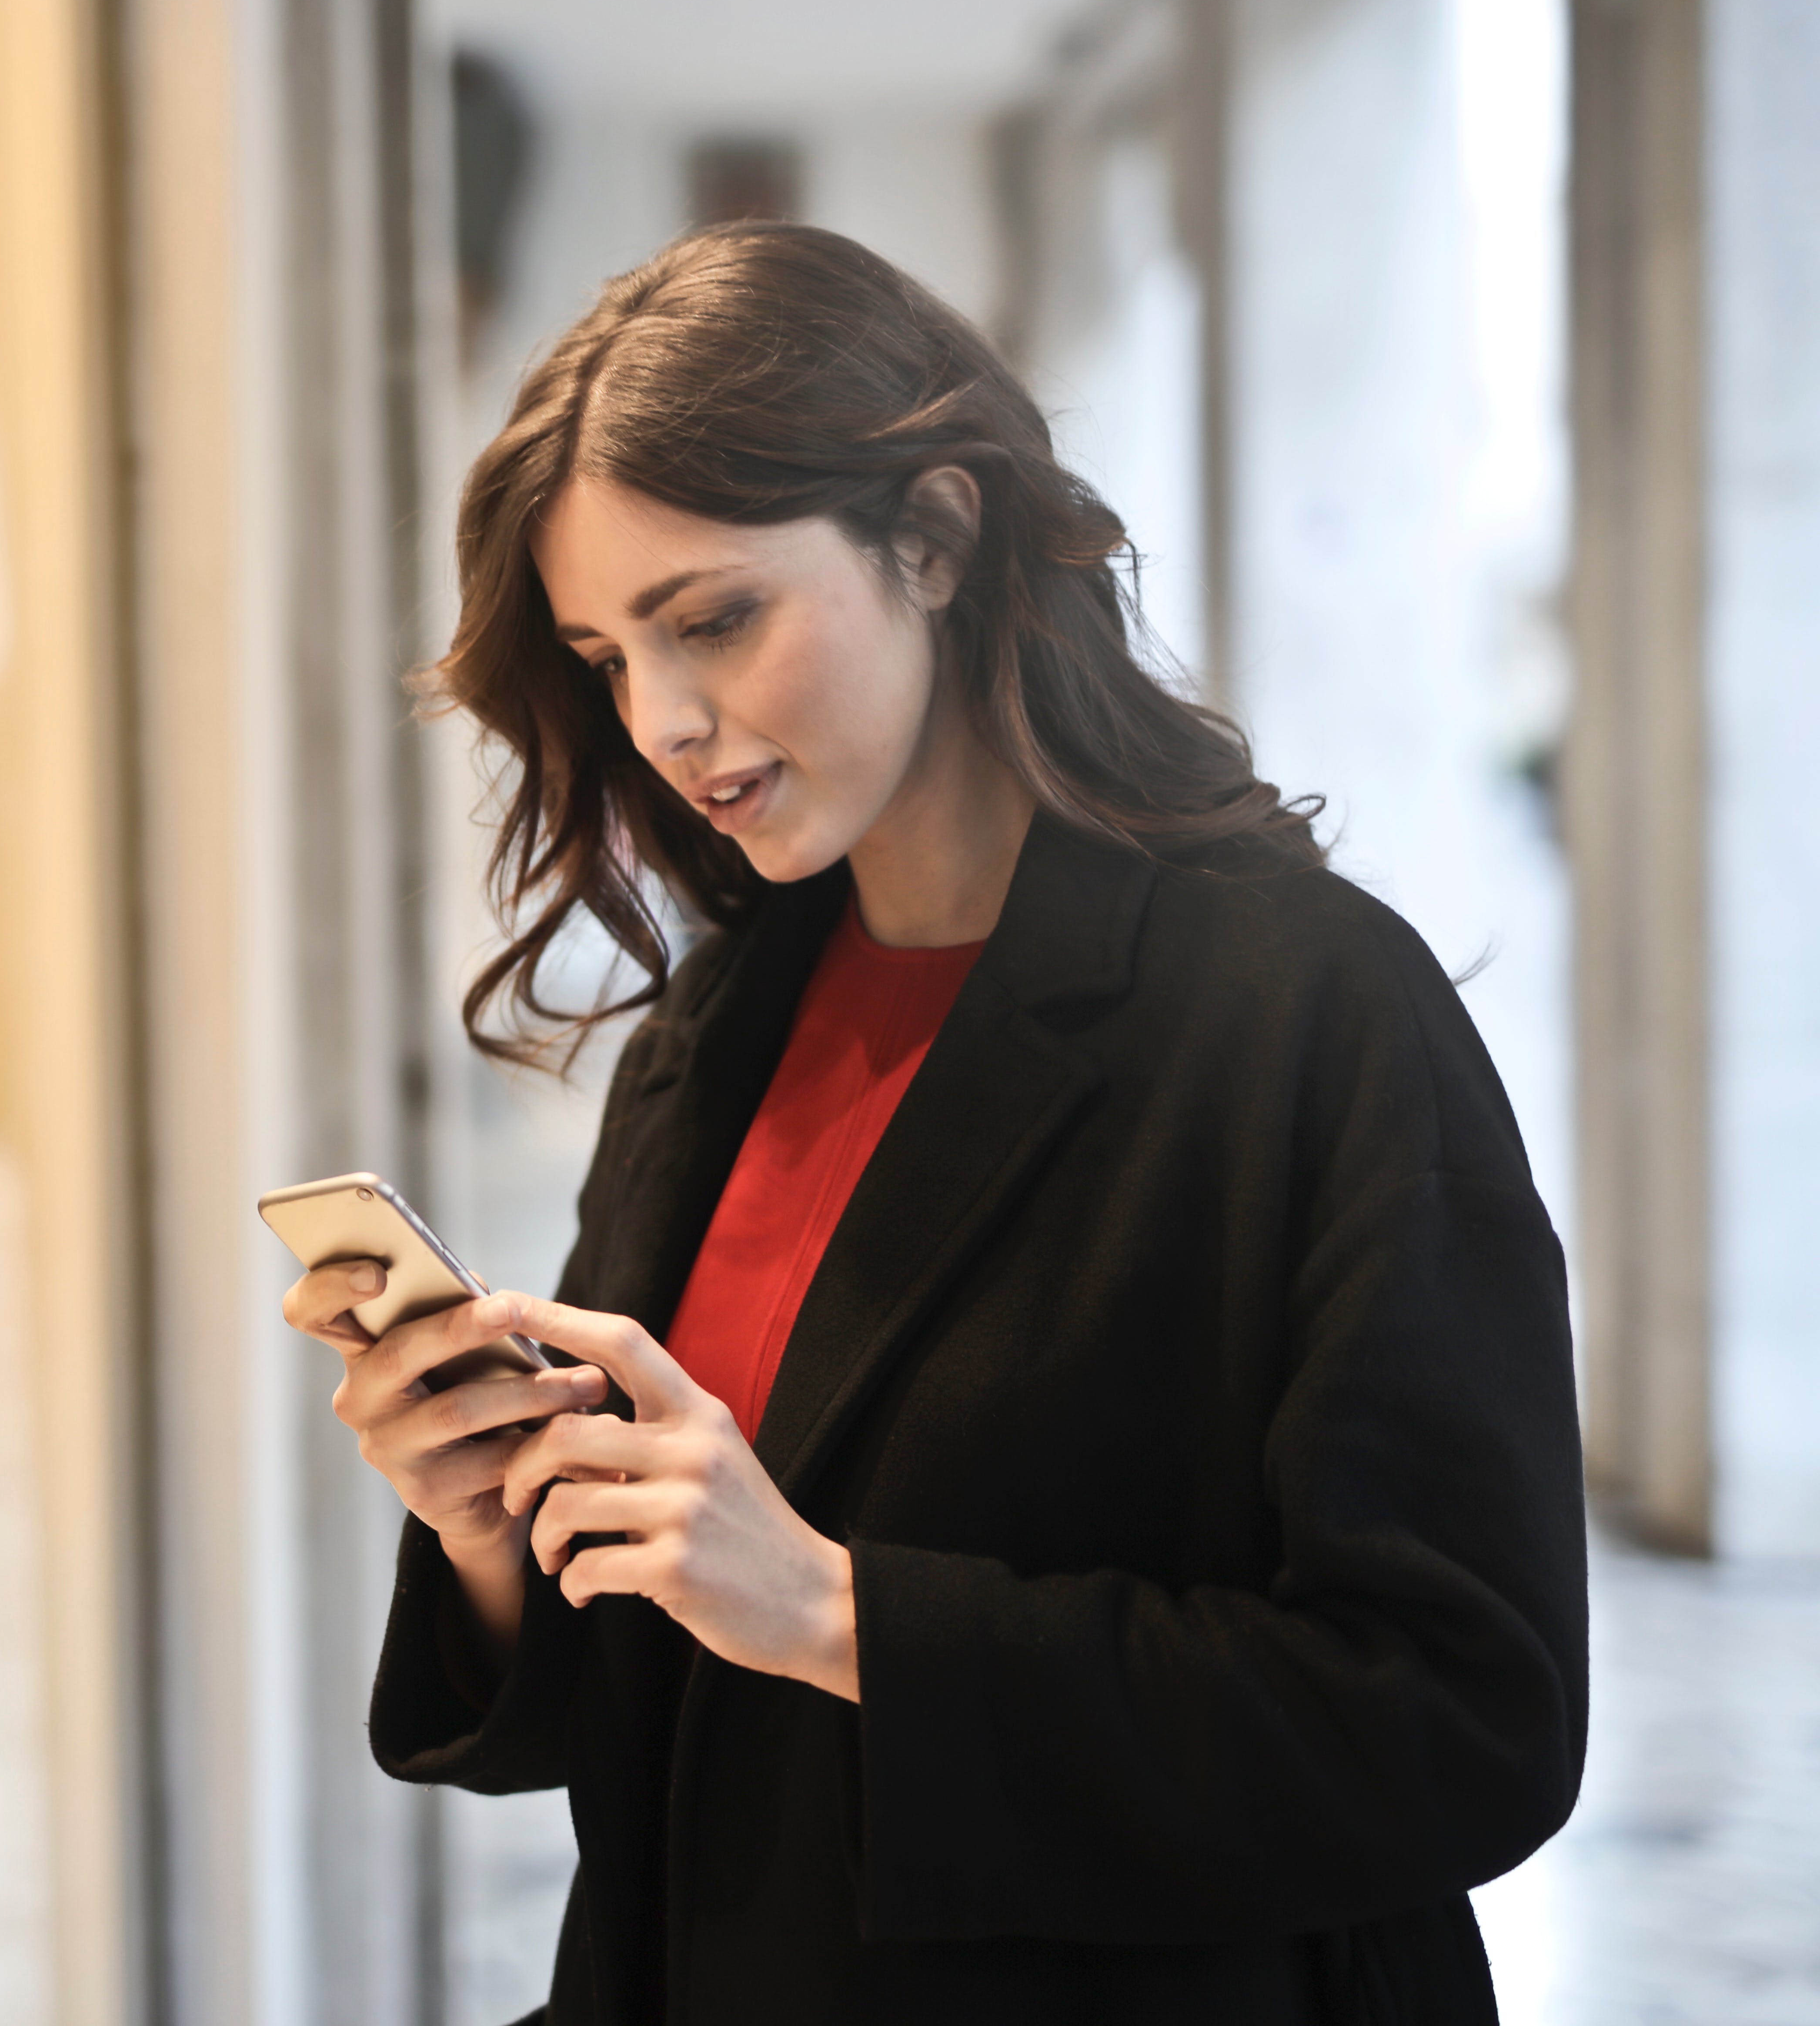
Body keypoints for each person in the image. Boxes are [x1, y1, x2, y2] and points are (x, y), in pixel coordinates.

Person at [284, 224, 1586, 2023]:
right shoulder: (718, 1028)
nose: (663, 721)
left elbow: (1466, 1718)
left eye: (715, 617)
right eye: (602, 656)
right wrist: (500, 1529)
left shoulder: (1307, 1009)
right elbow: (656, 1680)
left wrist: (841, 1612)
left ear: (938, 537)